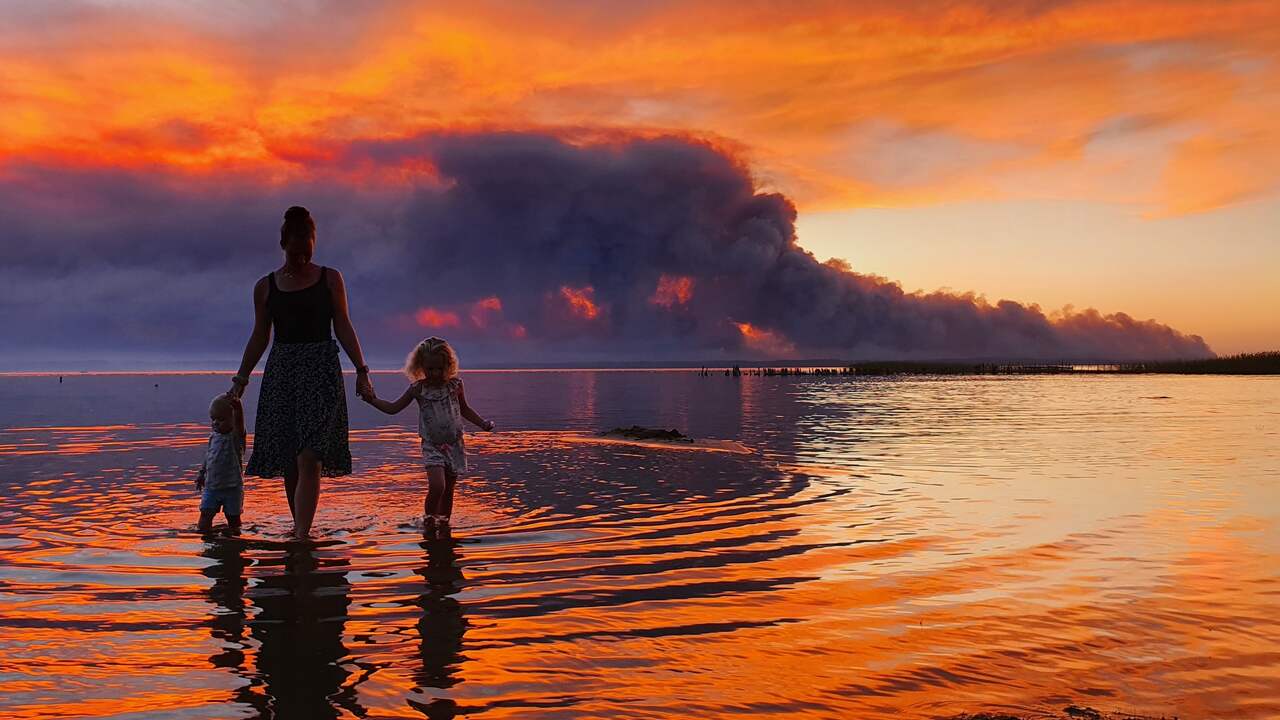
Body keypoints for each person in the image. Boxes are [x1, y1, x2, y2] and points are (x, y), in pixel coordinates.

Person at [227, 205, 374, 538]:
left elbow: (344, 325)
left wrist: (362, 370)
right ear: (283, 245)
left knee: (311, 456)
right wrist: (240, 380)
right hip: (283, 373)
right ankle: (300, 528)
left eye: (307, 251)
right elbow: (260, 336)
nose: (301, 258)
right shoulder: (265, 287)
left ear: (313, 241)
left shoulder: (330, 279)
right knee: (291, 459)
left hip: (322, 371)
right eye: (295, 253)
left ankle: (302, 536)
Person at [362, 337, 494, 537]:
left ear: (447, 367)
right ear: (421, 366)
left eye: (439, 369)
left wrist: (482, 423)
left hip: (455, 445)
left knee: (449, 489)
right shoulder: (419, 389)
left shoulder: (455, 385)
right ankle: (430, 521)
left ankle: (445, 525)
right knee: (437, 486)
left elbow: (465, 409)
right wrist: (372, 400)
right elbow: (393, 408)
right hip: (432, 446)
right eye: (429, 369)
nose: (434, 374)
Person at [196, 394, 246, 532]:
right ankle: (206, 540)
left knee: (233, 520)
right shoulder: (213, 437)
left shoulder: (235, 438)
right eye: (213, 419)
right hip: (212, 486)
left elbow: (240, 424)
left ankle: (232, 542)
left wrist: (238, 409)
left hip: (233, 487)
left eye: (221, 419)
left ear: (232, 419)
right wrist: (201, 474)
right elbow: (209, 456)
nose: (216, 423)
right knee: (205, 516)